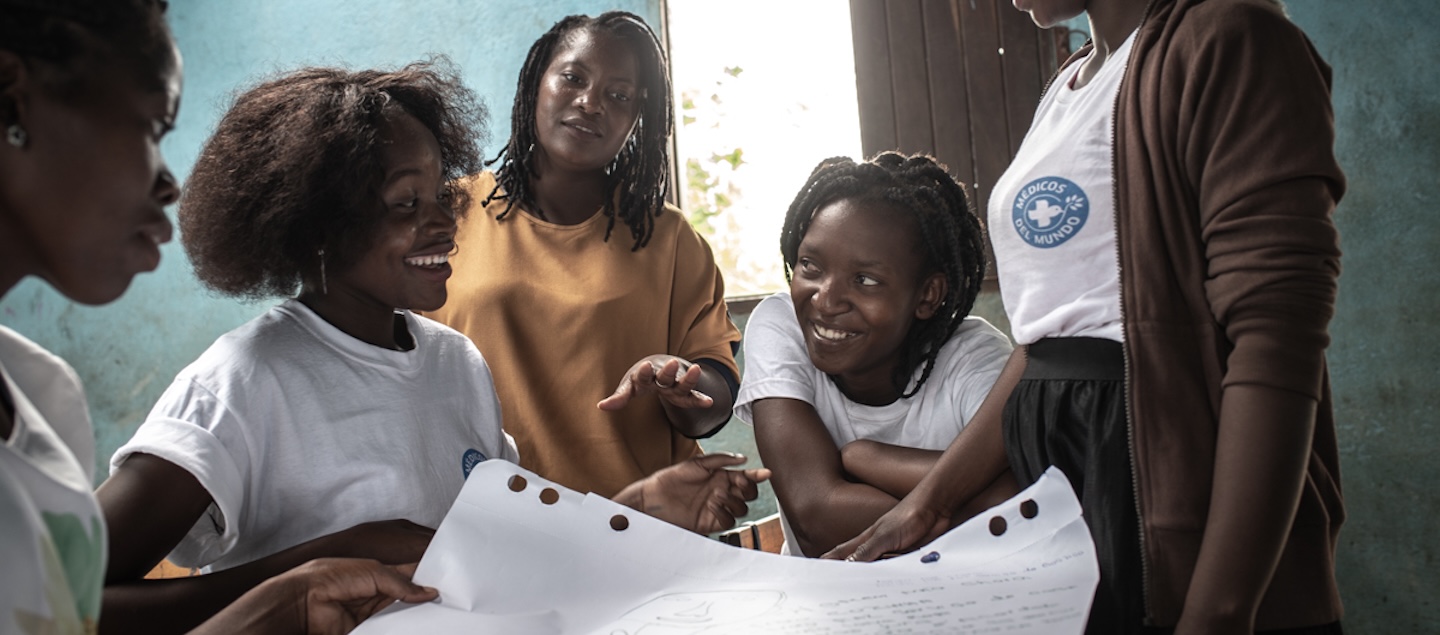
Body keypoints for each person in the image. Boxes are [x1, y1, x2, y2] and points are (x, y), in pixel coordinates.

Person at [94, 62, 768, 634]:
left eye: (440, 193)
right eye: (405, 204)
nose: (445, 222)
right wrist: (311, 572)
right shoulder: (245, 380)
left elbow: (497, 546)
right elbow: (64, 599)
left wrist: (641, 505)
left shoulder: (455, 362)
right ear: (318, 225)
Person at [827, 1, 1346, 634]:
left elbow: (1275, 336)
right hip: (1063, 486)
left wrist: (1218, 609)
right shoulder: (1070, 86)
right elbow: (1046, 339)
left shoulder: (1231, 39)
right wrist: (928, 506)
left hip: (1154, 476)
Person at [0, 1, 441, 633]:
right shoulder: (243, 379)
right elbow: (92, 603)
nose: (168, 185)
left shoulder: (42, 398)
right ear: (13, 101)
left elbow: (58, 615)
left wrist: (294, 594)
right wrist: (299, 577)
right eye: (154, 127)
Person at [425, 11, 742, 498]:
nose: (591, 103)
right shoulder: (449, 214)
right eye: (573, 78)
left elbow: (714, 399)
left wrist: (681, 384)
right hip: (481, 523)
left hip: (638, 526)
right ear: (536, 83)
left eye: (619, 96)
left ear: (638, 117)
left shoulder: (670, 239)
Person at [733, 153, 1016, 557]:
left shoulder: (974, 357)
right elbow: (816, 518)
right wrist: (966, 504)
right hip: (828, 609)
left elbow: (1025, 499)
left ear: (927, 295)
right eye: (810, 265)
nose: (826, 300)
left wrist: (868, 459)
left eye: (864, 280)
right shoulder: (783, 323)